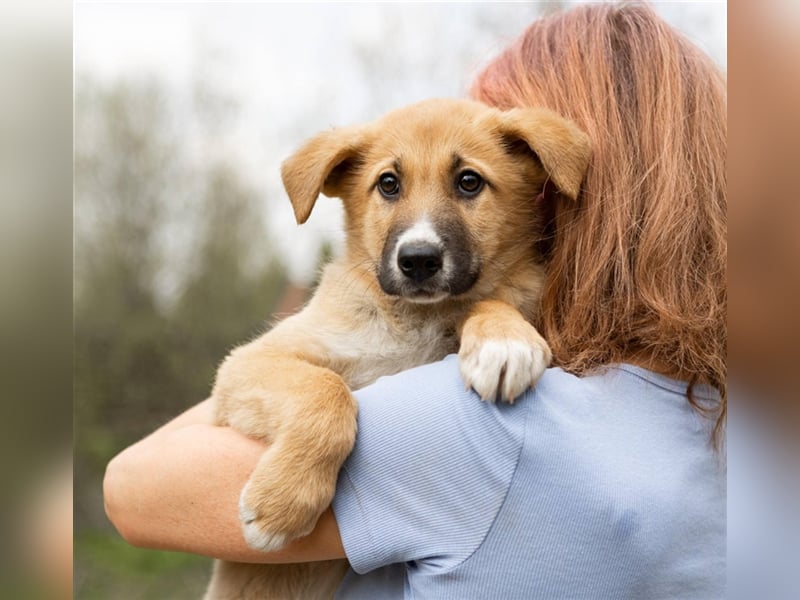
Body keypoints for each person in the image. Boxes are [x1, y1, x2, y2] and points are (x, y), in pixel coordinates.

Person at [103, 3, 726, 598]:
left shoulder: (491, 435)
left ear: (544, 187)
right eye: (390, 186)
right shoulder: (719, 431)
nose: (421, 233)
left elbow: (136, 486)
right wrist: (317, 412)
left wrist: (493, 315)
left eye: (468, 184)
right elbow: (243, 380)